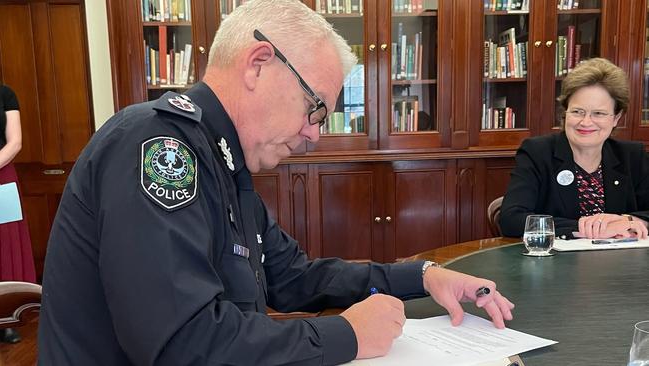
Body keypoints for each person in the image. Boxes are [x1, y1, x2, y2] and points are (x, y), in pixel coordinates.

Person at [38, 1, 514, 364]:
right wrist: (346, 336)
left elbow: (294, 277)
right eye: (315, 108)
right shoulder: (160, 145)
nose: (314, 133)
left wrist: (423, 275)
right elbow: (180, 343)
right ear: (258, 63)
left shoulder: (226, 161)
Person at [500, 57, 649, 240]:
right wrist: (589, 228)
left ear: (616, 118)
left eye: (599, 113)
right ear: (565, 112)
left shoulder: (632, 156)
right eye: (578, 111)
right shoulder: (537, 153)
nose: (586, 122)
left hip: (622, 264)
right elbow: (511, 219)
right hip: (556, 265)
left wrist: (625, 220)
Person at [0, 83, 36, 344]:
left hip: (2, 177)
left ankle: (4, 318)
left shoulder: (5, 94)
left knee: (5, 245)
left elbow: (15, 142)